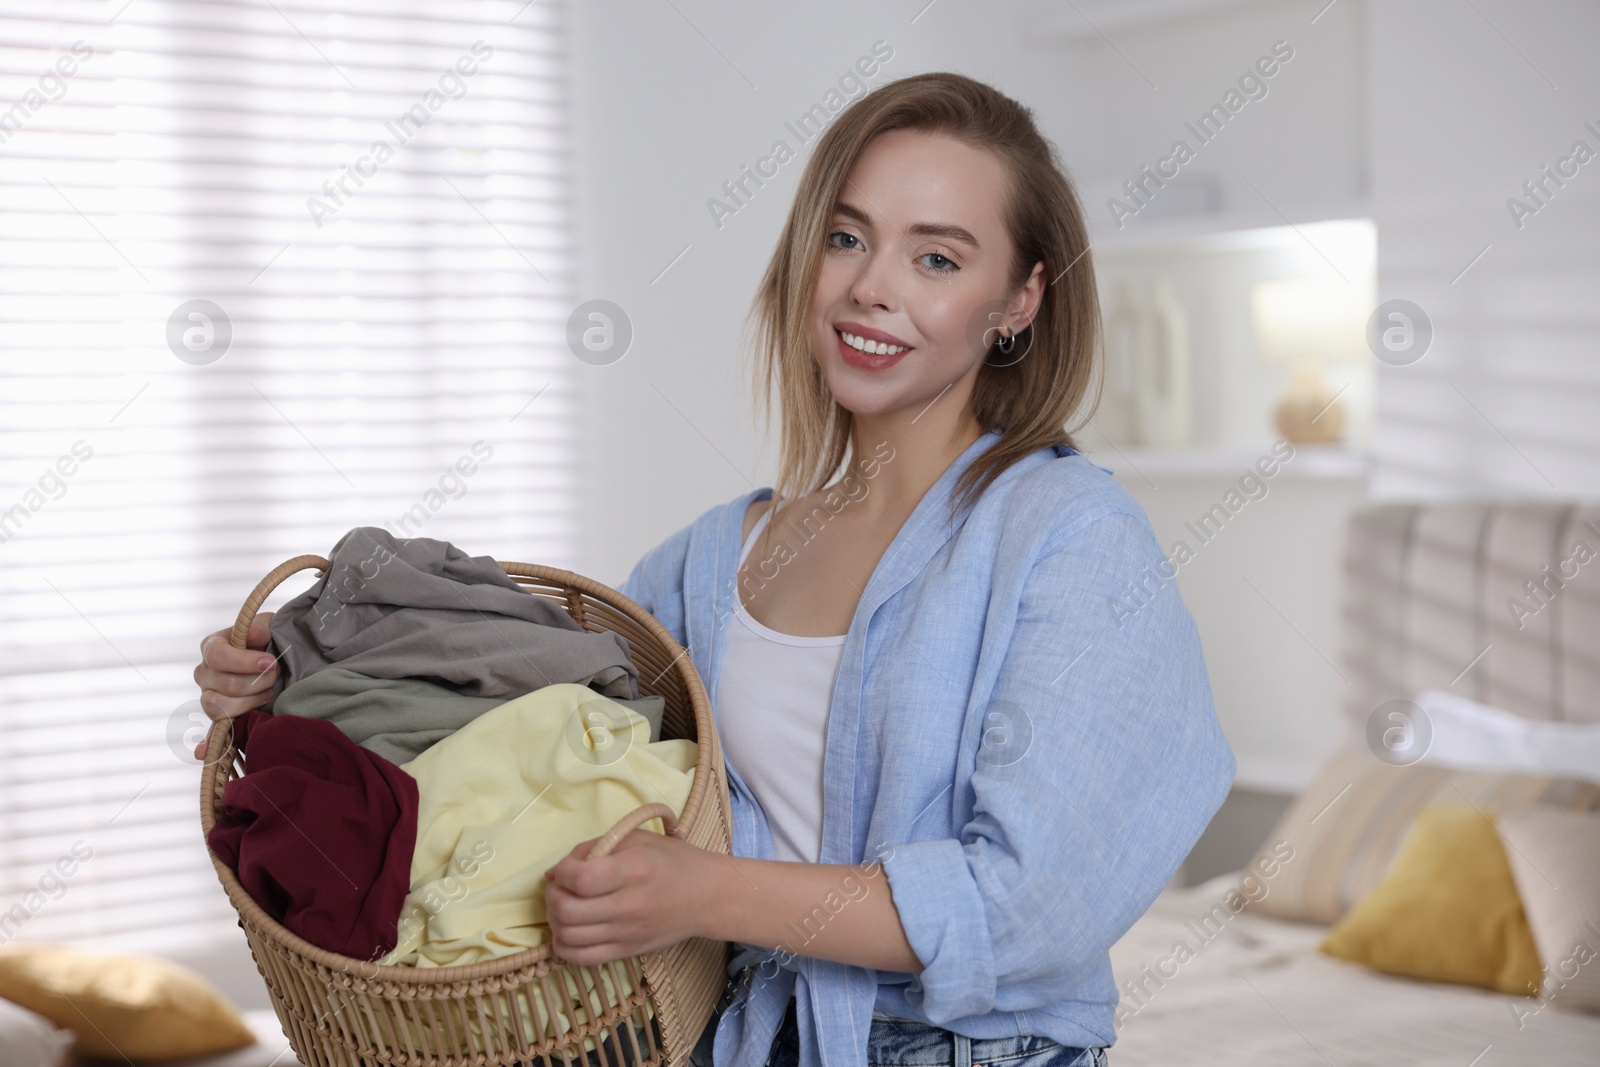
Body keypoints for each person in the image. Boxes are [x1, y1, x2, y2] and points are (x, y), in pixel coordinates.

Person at [194, 72, 1233, 1067]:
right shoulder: (703, 561)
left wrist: (705, 894)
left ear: (1019, 299)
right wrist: (306, 682)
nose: (871, 287)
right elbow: (540, 726)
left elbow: (1031, 901)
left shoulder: (1067, 533)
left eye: (938, 259)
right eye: (846, 237)